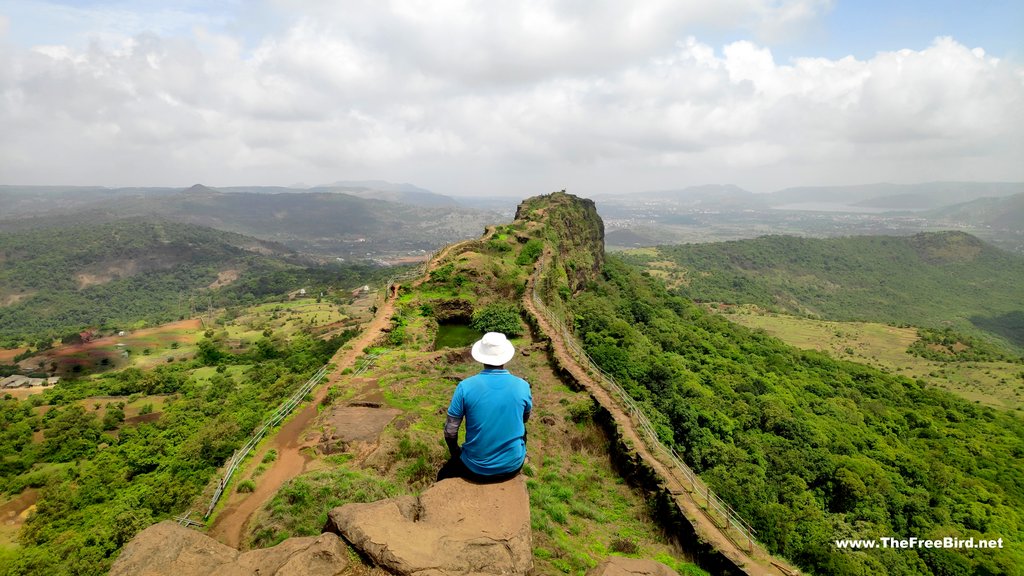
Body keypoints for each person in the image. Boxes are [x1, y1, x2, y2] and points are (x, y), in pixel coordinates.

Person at [437, 332, 532, 483]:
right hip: (513, 467)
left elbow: (450, 431)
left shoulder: (464, 387)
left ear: (481, 357)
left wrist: (455, 453)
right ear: (505, 357)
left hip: (475, 469)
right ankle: (518, 455)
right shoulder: (523, 386)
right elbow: (524, 418)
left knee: (443, 474)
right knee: (522, 429)